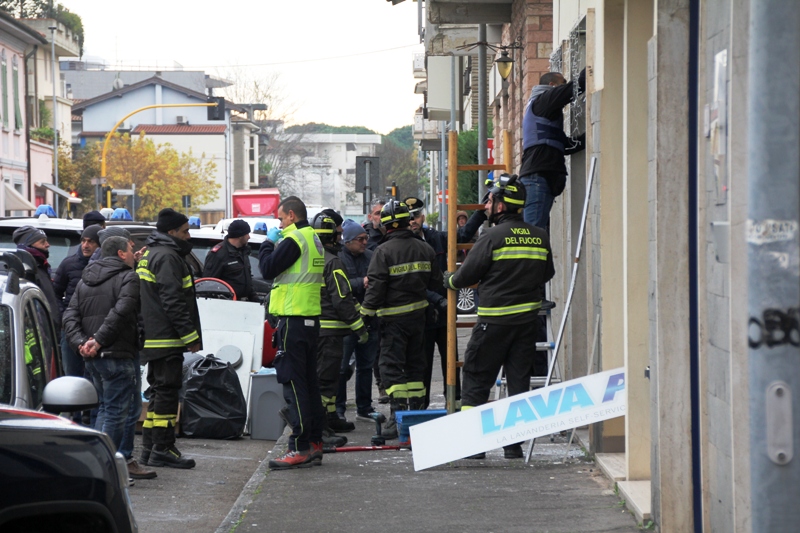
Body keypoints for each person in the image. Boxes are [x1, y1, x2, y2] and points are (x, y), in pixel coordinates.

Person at [444, 174, 555, 459]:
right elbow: (548, 273)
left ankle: (473, 445)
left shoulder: (491, 237)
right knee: (518, 382)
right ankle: (513, 445)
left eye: (490, 200)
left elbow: (468, 274)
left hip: (493, 324)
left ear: (502, 206)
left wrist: (451, 281)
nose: (487, 206)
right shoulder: (540, 236)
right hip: (527, 324)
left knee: (476, 379)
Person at [62, 236, 155, 479]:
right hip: (116, 353)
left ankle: (100, 462)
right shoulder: (128, 277)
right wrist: (97, 341)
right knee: (116, 411)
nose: (134, 253)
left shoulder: (85, 279)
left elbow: (70, 315)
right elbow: (122, 311)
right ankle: (106, 468)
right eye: (131, 249)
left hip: (95, 357)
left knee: (106, 408)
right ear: (122, 254)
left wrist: (82, 343)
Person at [360, 200, 444, 439]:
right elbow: (435, 283)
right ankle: (415, 416)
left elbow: (375, 288)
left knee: (391, 368)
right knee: (416, 367)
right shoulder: (425, 249)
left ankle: (398, 419)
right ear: (408, 222)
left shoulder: (383, 252)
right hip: (419, 320)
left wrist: (364, 315)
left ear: (386, 225)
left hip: (392, 322)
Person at [259, 196, 326, 470]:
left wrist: (266, 242)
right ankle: (314, 443)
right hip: (308, 318)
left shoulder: (295, 239)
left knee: (294, 385)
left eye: (279, 219)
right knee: (309, 384)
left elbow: (266, 269)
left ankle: (298, 447)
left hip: (294, 319)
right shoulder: (313, 239)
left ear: (290, 215)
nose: (278, 223)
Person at [137, 208, 201, 469]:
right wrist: (190, 336)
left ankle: (150, 449)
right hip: (167, 338)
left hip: (155, 337)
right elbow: (173, 301)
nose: (189, 236)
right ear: (172, 232)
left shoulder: (153, 253)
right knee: (167, 394)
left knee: (158, 392)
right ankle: (163, 448)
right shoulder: (168, 257)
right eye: (185, 231)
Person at [312, 212, 369, 434]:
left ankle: (330, 416)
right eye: (338, 234)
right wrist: (360, 327)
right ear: (332, 237)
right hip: (331, 332)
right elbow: (342, 298)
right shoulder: (333, 262)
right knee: (327, 380)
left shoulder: (311, 259)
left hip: (316, 328)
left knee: (328, 378)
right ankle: (323, 424)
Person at [519, 69, 586, 232]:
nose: (564, 86)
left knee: (538, 232)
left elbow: (566, 146)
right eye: (562, 82)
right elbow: (575, 87)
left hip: (539, 176)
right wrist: (589, 67)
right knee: (533, 235)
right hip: (537, 177)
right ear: (552, 85)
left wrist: (591, 134)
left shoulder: (542, 111)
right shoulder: (544, 100)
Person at [405, 197, 456, 410]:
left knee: (451, 362)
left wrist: (481, 211)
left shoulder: (435, 238)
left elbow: (460, 235)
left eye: (415, 216)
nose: (412, 221)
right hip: (421, 314)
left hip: (444, 312)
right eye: (408, 218)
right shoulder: (403, 245)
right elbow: (412, 283)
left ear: (422, 217)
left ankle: (454, 402)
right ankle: (419, 408)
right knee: (421, 365)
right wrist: (437, 299)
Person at [336, 219, 380, 421]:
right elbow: (338, 287)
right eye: (360, 239)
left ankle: (365, 407)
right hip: (346, 323)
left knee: (365, 366)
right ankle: (338, 409)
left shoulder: (371, 256)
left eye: (366, 238)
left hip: (369, 320)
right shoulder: (338, 259)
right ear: (347, 241)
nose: (364, 242)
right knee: (341, 368)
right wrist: (361, 282)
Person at [54, 225, 101, 382]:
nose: (85, 245)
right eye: (83, 241)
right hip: (70, 330)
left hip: (95, 331)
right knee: (72, 379)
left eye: (91, 242)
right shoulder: (68, 264)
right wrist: (63, 317)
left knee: (94, 380)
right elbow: (55, 293)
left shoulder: (104, 267)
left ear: (99, 245)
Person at [12, 226, 60, 328]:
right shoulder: (26, 271)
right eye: (42, 242)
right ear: (29, 245)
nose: (48, 245)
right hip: (39, 334)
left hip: (49, 330)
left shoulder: (41, 267)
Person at [202, 219, 258, 301]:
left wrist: (254, 298)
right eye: (247, 234)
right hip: (227, 305)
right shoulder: (218, 254)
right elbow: (209, 284)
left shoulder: (243, 251)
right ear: (240, 236)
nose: (249, 237)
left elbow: (247, 279)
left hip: (245, 304)